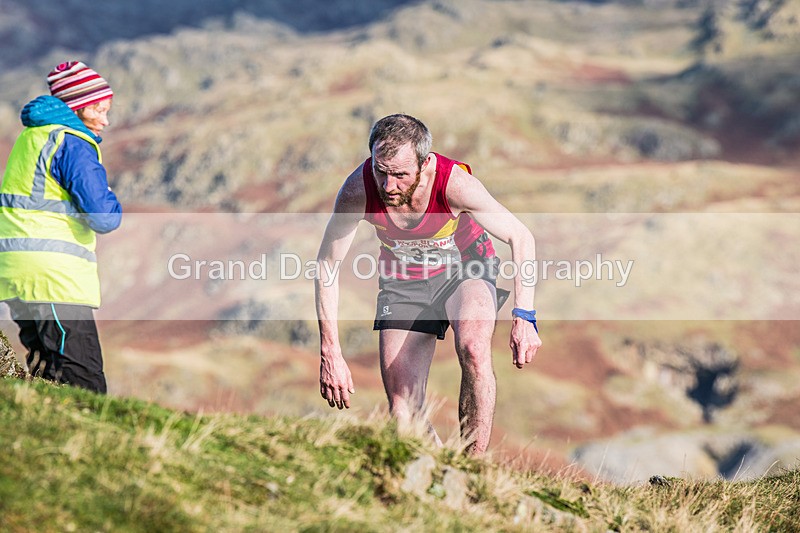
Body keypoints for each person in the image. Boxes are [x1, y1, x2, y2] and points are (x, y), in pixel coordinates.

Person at [315, 114, 541, 455]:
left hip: (467, 269)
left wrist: (524, 315)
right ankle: (444, 475)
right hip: (404, 281)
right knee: (403, 411)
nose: (388, 186)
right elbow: (326, 266)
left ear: (425, 163)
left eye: (401, 175)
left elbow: (520, 236)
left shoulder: (454, 184)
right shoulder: (357, 190)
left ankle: (473, 468)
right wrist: (330, 351)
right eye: (381, 170)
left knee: (474, 348)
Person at [0, 61, 122, 393]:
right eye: (98, 109)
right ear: (77, 106)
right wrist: (111, 196)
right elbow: (104, 217)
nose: (105, 120)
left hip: (15, 271)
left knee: (46, 370)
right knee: (83, 377)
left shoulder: (33, 137)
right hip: (52, 275)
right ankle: (95, 443)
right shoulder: (73, 143)